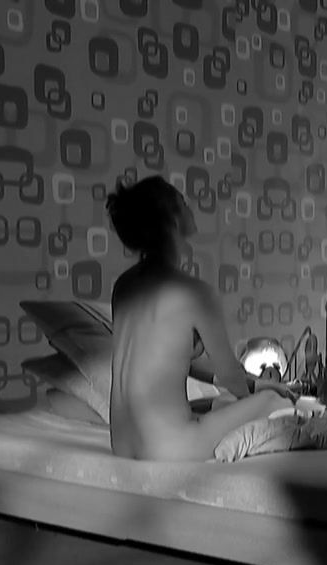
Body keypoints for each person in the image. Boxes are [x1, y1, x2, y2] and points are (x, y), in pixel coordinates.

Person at [105, 175, 297, 461]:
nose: (190, 206)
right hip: (169, 449)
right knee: (274, 400)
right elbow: (231, 378)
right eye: (183, 201)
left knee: (217, 403)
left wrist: (256, 384)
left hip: (121, 444)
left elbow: (171, 360)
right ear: (172, 218)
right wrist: (260, 395)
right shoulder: (193, 292)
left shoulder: (123, 286)